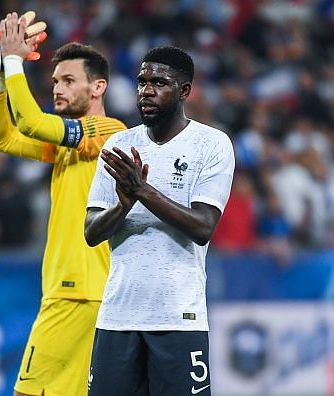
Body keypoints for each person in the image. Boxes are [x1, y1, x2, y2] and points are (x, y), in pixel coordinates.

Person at [0, 12, 126, 396]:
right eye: (55, 82)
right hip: (84, 293)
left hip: (76, 291)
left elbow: (29, 122)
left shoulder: (108, 132)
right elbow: (3, 139)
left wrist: (13, 60)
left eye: (68, 81)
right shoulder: (72, 142)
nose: (57, 89)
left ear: (98, 87)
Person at [84, 45, 235, 395]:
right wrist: (122, 206)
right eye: (141, 82)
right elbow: (91, 232)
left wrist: (141, 190)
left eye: (159, 83)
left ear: (184, 91)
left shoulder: (211, 145)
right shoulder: (119, 145)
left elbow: (202, 227)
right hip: (117, 318)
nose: (146, 90)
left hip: (178, 320)